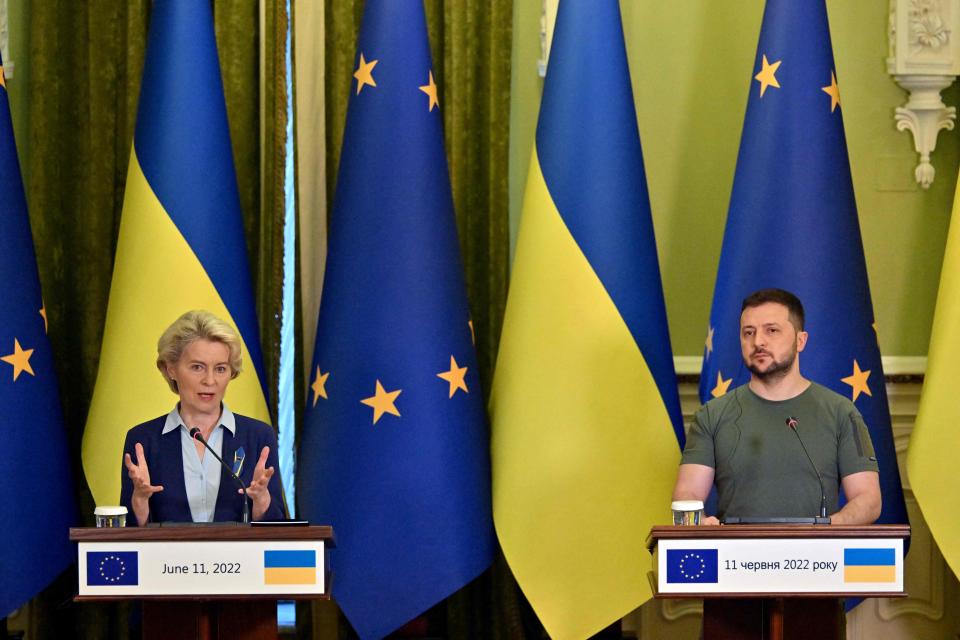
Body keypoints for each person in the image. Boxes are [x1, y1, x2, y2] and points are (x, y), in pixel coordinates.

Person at [673, 288, 881, 525]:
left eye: (772, 331)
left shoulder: (842, 413)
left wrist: (828, 530)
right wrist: (698, 523)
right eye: (748, 333)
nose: (758, 341)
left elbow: (868, 500)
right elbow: (687, 494)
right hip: (734, 557)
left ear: (800, 340)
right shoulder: (711, 415)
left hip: (817, 558)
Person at [120, 310, 285, 526]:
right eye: (197, 367)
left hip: (236, 560)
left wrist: (262, 503)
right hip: (169, 559)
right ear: (171, 369)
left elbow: (279, 531)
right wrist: (140, 503)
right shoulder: (143, 440)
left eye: (220, 369)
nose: (210, 380)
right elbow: (125, 540)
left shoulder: (258, 437)